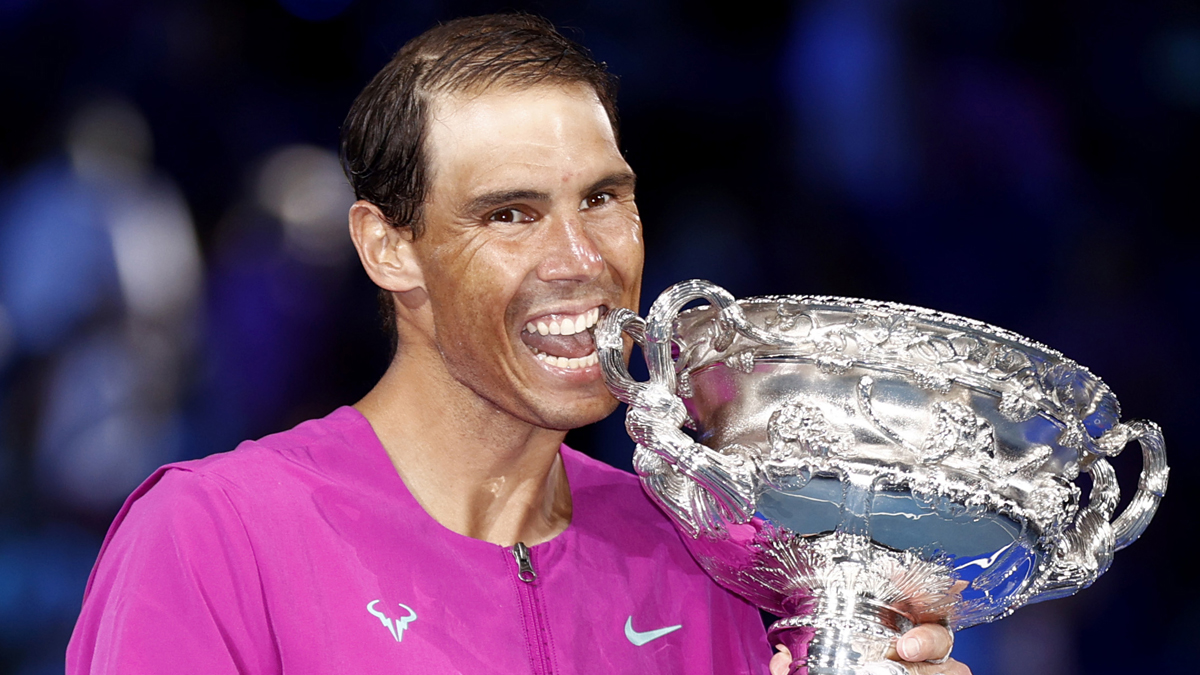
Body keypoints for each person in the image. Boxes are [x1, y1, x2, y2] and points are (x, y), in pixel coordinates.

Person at [67, 14, 969, 675]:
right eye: (511, 213)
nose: (581, 259)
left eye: (603, 199)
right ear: (389, 248)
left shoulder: (717, 561)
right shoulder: (214, 536)